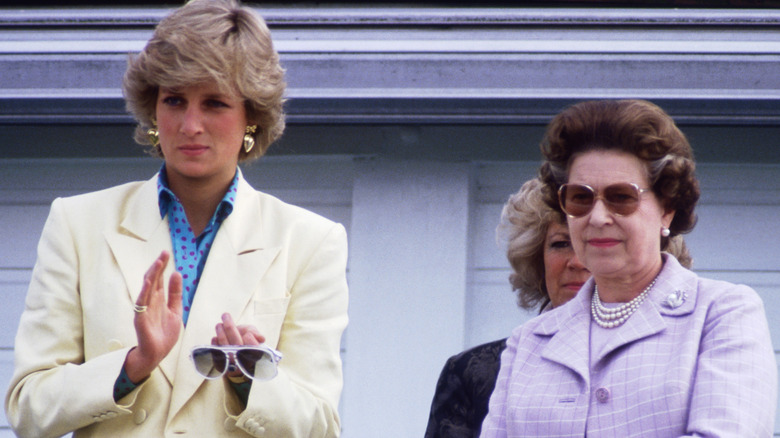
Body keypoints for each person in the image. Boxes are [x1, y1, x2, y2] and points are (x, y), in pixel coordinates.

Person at [5, 1, 348, 437]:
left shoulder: (311, 241)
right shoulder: (76, 224)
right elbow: (28, 409)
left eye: (215, 103)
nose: (190, 124)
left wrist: (244, 378)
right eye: (174, 100)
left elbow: (319, 425)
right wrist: (134, 365)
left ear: (252, 118)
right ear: (152, 110)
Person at [481, 99, 777, 437]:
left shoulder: (720, 313)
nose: (597, 217)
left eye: (621, 196)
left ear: (666, 208)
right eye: (580, 197)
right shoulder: (530, 342)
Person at [425, 178, 692, 438]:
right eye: (561, 244)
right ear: (536, 260)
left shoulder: (686, 358)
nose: (578, 261)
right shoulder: (474, 372)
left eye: (604, 243)